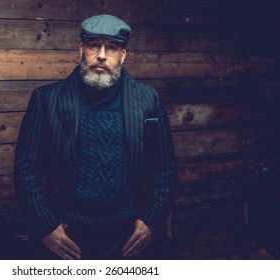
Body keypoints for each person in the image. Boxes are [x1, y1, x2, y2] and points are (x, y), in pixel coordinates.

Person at [14, 14, 176, 260]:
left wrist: (151, 221)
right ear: (82, 49)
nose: (102, 55)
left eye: (111, 47)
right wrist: (46, 225)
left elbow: (165, 167)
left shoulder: (147, 98)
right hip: (69, 234)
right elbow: (26, 168)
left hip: (128, 235)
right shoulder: (47, 99)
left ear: (122, 55)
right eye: (94, 45)